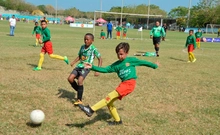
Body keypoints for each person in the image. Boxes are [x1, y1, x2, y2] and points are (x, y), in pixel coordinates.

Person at [78, 42, 159, 125]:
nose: (120, 56)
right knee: (109, 103)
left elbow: (144, 62)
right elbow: (106, 69)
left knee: (109, 96)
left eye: (121, 54)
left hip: (130, 84)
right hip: (123, 84)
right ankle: (118, 121)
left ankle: (91, 110)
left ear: (126, 53)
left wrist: (154, 66)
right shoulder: (116, 65)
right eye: (118, 54)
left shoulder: (131, 60)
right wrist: (92, 67)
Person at [68, 33, 102, 105]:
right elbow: (80, 56)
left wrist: (98, 70)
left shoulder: (94, 49)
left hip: (86, 67)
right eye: (85, 39)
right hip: (79, 66)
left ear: (92, 41)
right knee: (70, 78)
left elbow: (100, 59)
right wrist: (73, 62)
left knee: (80, 80)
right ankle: (79, 90)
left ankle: (79, 99)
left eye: (87, 39)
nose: (86, 41)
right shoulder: (82, 47)